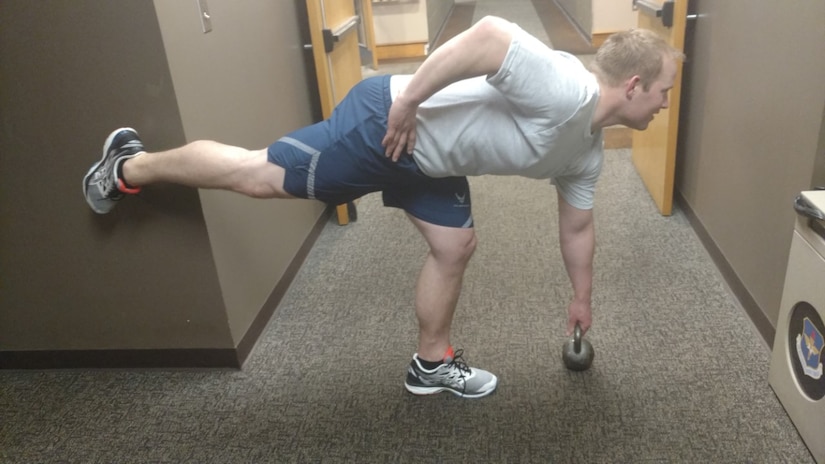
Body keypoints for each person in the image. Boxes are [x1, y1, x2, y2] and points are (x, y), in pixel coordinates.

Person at [82, 16, 682, 399]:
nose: (663, 105)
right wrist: (408, 101)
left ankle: (430, 363)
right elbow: (488, 36)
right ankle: (128, 167)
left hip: (433, 162)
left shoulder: (587, 150)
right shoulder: (565, 89)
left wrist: (582, 296)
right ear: (634, 86)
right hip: (385, 125)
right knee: (256, 174)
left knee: (456, 244)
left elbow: (577, 226)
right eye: (663, 93)